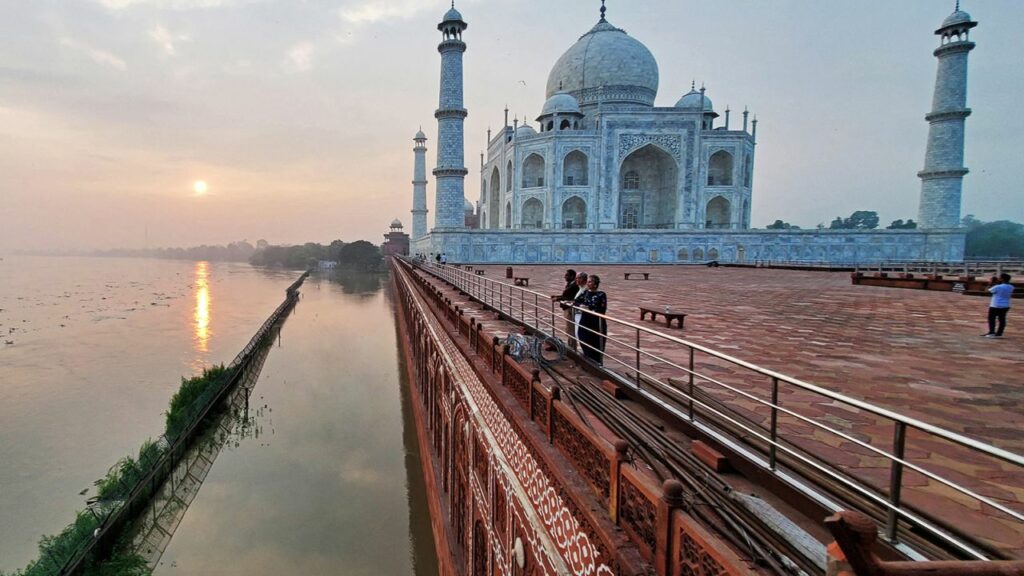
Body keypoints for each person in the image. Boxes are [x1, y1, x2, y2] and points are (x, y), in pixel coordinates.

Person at [574, 274, 607, 365]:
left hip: (596, 322)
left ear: (595, 284)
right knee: (583, 338)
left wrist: (589, 308)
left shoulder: (601, 294)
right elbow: (576, 301)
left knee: (596, 342)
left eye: (590, 282)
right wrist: (580, 305)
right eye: (588, 282)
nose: (588, 283)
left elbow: (602, 309)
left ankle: (597, 361)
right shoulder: (586, 293)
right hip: (585, 320)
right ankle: (588, 359)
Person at [982, 273, 1014, 338]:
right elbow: (1002, 288)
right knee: (1002, 319)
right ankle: (999, 333)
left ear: (1002, 279)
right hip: (1005, 305)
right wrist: (997, 283)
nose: (998, 279)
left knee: (991, 319)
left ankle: (992, 332)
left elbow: (987, 291)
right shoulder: (1011, 287)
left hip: (995, 305)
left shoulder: (997, 287)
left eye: (1000, 278)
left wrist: (990, 283)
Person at [555, 269, 578, 349]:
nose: (565, 277)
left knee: (570, 328)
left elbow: (569, 297)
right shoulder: (570, 284)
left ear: (572, 276)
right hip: (566, 308)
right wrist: (558, 297)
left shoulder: (574, 285)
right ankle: (571, 345)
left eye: (567, 275)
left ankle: (572, 347)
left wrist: (558, 298)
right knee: (568, 328)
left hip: (570, 309)